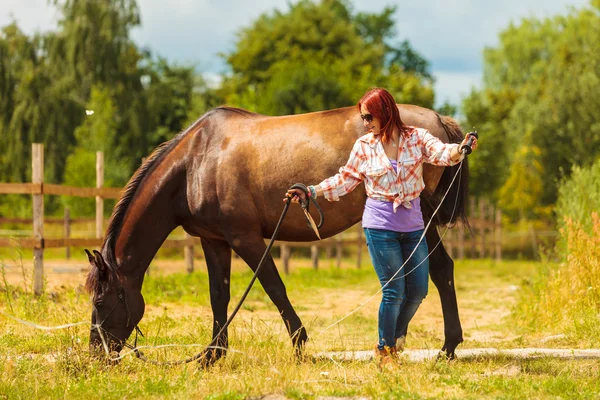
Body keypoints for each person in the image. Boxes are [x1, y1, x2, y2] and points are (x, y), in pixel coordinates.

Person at [285, 87, 478, 368]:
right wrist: (312, 191)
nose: (365, 123)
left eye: (368, 116)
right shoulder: (364, 146)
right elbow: (345, 179)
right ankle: (385, 351)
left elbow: (442, 154)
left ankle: (392, 338)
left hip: (413, 226)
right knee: (394, 291)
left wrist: (461, 149)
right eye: (363, 117)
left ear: (385, 112)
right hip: (380, 227)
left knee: (418, 290)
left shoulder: (416, 138)